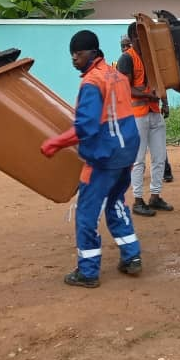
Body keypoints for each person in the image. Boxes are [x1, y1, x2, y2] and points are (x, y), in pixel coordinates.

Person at [41, 31, 142, 287]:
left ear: (93, 52)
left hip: (103, 157)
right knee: (116, 203)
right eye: (72, 55)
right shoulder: (116, 75)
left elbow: (86, 127)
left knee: (87, 213)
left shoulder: (91, 83)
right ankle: (132, 257)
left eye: (78, 54)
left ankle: (88, 272)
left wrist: (54, 143)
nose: (74, 59)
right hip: (126, 153)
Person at [118, 23, 173, 217]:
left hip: (154, 111)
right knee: (138, 160)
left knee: (159, 157)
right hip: (138, 115)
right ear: (134, 37)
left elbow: (161, 82)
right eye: (142, 35)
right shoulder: (127, 58)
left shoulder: (152, 57)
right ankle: (138, 200)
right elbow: (125, 88)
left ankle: (155, 197)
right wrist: (150, 96)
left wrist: (165, 102)